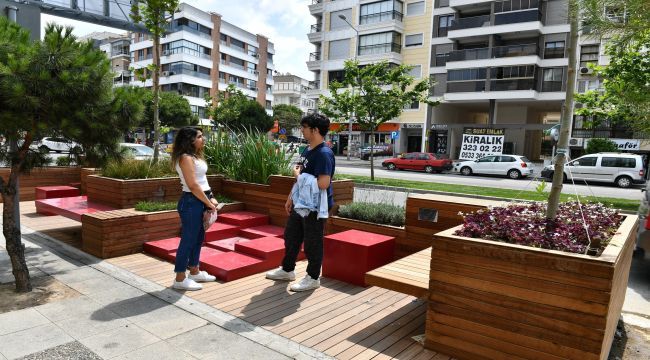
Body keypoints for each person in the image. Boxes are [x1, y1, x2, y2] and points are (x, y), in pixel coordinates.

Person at [265, 113, 335, 291]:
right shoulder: (307, 149)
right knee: (291, 236)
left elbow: (323, 183)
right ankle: (287, 270)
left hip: (315, 206)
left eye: (304, 127)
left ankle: (313, 277)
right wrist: (290, 197)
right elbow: (301, 179)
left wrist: (299, 175)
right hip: (301, 203)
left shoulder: (324, 153)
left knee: (312, 242)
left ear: (315, 130)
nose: (301, 130)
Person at [171, 126, 219, 291]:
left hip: (199, 200)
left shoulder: (194, 157)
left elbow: (202, 180)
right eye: (199, 136)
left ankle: (194, 271)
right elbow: (192, 185)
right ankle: (179, 278)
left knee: (198, 239)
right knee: (188, 240)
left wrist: (211, 196)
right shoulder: (185, 158)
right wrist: (208, 203)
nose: (202, 139)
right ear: (190, 140)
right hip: (191, 202)